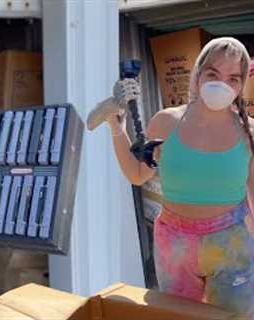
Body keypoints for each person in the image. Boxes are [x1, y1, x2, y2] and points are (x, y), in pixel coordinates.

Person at [99, 37, 254, 315]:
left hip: (232, 245)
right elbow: (137, 174)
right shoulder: (166, 122)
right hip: (175, 245)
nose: (222, 84)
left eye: (233, 78)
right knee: (178, 318)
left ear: (242, 84)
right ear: (198, 75)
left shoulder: (249, 132)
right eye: (213, 74)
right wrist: (116, 127)